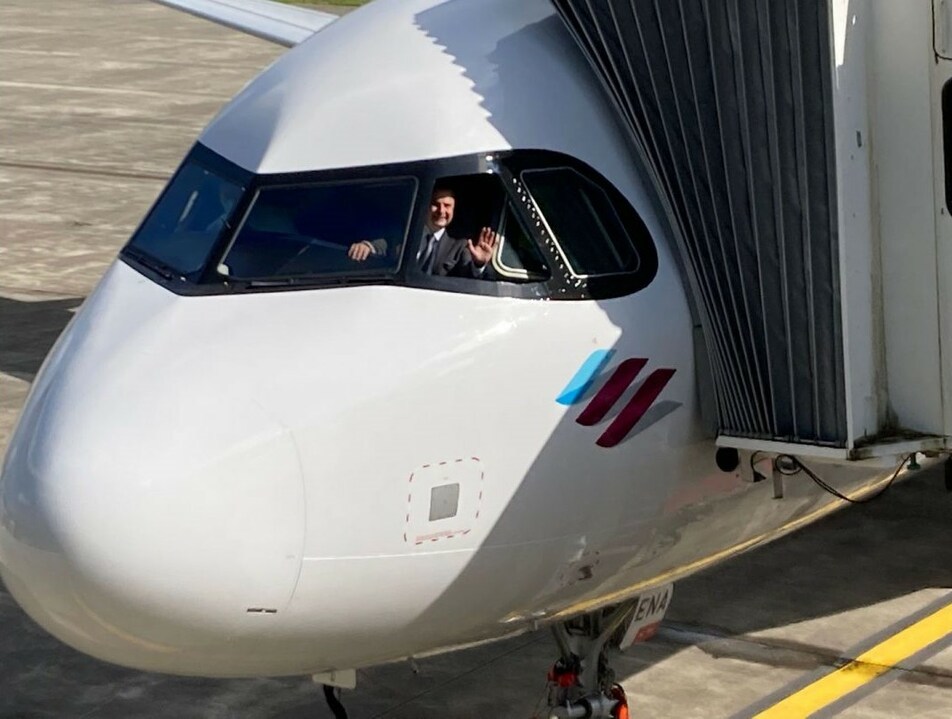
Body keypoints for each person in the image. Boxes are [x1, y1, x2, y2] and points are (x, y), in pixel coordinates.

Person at [347, 186, 497, 277]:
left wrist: (479, 264)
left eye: (447, 206)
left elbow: (471, 272)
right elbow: (382, 245)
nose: (441, 211)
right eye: (435, 204)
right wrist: (365, 247)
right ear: (425, 206)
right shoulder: (404, 234)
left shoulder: (460, 246)